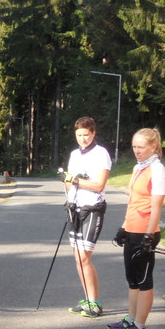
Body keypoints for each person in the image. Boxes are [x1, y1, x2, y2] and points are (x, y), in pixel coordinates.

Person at [109, 128, 165, 329]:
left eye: (141, 147)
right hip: (133, 229)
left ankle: (140, 326)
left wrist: (149, 235)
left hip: (145, 231)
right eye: (134, 147)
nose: (137, 151)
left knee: (144, 281)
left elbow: (156, 206)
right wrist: (124, 227)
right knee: (132, 279)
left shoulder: (157, 170)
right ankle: (131, 319)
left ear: (153, 147)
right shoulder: (138, 168)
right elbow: (133, 201)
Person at [62, 116, 111, 317]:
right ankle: (88, 300)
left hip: (93, 207)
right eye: (79, 135)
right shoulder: (74, 154)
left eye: (86, 135)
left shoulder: (101, 154)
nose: (82, 139)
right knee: (77, 258)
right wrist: (69, 184)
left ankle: (95, 302)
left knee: (84, 257)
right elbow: (68, 182)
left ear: (93, 133)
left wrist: (75, 181)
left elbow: (99, 184)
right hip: (75, 208)